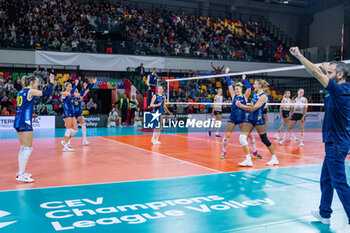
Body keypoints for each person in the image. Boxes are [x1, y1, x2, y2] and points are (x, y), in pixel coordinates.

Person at [290, 47, 350, 232]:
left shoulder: (340, 91)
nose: (326, 74)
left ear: (340, 75)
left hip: (336, 144)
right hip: (334, 142)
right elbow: (324, 70)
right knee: (326, 179)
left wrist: (299, 56)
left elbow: (316, 72)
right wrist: (327, 67)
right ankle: (325, 213)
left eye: (330, 73)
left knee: (339, 182)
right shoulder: (341, 87)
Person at [13, 74, 54, 182]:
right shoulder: (30, 91)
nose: (38, 84)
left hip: (19, 120)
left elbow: (21, 107)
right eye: (37, 82)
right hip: (25, 122)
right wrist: (51, 81)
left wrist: (30, 114)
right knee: (28, 148)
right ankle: (21, 173)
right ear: (31, 83)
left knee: (23, 148)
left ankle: (21, 172)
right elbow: (48, 93)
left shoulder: (21, 92)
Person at [235, 79, 279, 167]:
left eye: (255, 84)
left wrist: (241, 106)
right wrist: (244, 105)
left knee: (264, 139)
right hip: (250, 119)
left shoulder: (263, 96)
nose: (253, 85)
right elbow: (251, 106)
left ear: (259, 85)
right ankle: (248, 160)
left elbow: (254, 108)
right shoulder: (255, 95)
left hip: (258, 120)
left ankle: (274, 158)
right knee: (242, 137)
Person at [220, 68, 261, 160]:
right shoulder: (233, 96)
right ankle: (224, 151)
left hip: (242, 119)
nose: (236, 90)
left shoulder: (245, 97)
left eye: (237, 89)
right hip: (233, 118)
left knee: (249, 135)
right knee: (227, 135)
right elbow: (229, 85)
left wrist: (244, 79)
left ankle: (254, 151)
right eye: (235, 89)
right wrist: (227, 74)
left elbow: (249, 88)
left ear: (241, 89)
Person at [72, 79, 96, 145]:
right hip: (73, 114)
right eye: (75, 91)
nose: (76, 92)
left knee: (84, 125)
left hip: (79, 113)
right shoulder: (71, 96)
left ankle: (84, 140)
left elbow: (88, 90)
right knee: (73, 130)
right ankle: (66, 140)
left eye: (77, 91)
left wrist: (93, 84)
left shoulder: (80, 96)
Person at [61, 79, 79, 152]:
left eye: (71, 86)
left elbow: (80, 95)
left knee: (75, 130)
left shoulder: (72, 95)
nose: (70, 88)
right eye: (69, 86)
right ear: (66, 87)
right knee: (68, 129)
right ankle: (65, 146)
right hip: (67, 113)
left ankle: (65, 140)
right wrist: (75, 85)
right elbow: (71, 93)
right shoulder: (64, 93)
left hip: (72, 113)